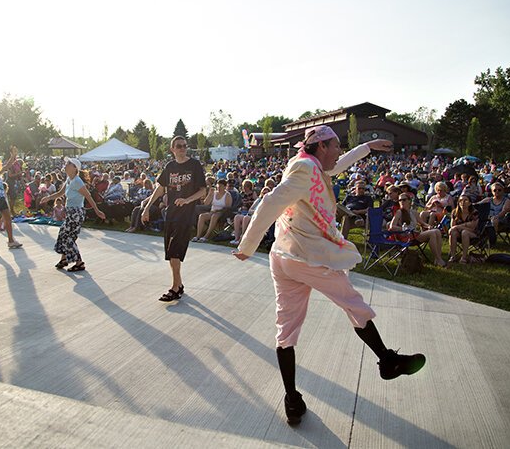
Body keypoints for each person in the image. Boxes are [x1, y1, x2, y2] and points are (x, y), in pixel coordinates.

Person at [233, 126, 425, 426]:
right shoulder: (305, 168)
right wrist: (247, 246)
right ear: (322, 146)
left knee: (286, 329)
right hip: (307, 258)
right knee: (352, 303)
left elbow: (338, 165)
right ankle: (388, 361)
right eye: (337, 145)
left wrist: (367, 147)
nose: (339, 150)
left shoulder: (310, 165)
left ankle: (292, 401)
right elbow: (270, 202)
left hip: (284, 258)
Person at [141, 136, 206, 302]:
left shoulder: (194, 165)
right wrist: (147, 208)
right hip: (171, 214)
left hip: (186, 215)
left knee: (175, 250)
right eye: (179, 146)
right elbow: (160, 189)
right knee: (170, 253)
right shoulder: (170, 167)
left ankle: (175, 288)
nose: (183, 148)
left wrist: (187, 200)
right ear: (173, 149)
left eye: (185, 146)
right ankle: (179, 284)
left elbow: (203, 191)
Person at [40, 157, 106, 272]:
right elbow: (60, 193)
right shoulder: (69, 180)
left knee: (68, 237)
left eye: (68, 163)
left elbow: (88, 196)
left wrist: (97, 210)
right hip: (70, 213)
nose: (65, 165)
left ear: (75, 168)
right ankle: (64, 259)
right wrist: (48, 198)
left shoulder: (77, 181)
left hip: (76, 213)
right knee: (63, 234)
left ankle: (79, 262)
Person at [193, 178, 232, 242]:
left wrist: (218, 211)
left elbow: (228, 207)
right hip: (212, 211)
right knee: (202, 216)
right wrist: (210, 194)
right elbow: (206, 203)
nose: (219, 188)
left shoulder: (227, 195)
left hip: (222, 213)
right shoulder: (214, 193)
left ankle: (206, 236)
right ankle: (198, 236)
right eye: (218, 186)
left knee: (214, 216)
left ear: (225, 187)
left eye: (221, 186)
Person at [448, 195, 480, 263]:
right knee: (452, 232)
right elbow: (453, 227)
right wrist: (465, 226)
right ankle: (453, 256)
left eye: (465, 200)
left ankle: (464, 257)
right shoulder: (455, 212)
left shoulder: (474, 212)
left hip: (473, 233)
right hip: (459, 233)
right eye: (460, 200)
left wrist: (459, 227)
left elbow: (473, 228)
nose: (463, 202)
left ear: (470, 203)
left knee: (464, 232)